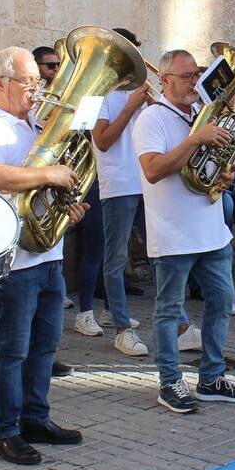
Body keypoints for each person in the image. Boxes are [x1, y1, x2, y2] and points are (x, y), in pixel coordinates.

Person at [0, 47, 86, 465]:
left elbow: (45, 184)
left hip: (47, 250)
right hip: (14, 257)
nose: (38, 88)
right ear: (0, 83)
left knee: (45, 345)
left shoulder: (34, 122)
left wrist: (65, 202)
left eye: (38, 81)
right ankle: (5, 430)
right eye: (29, 81)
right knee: (12, 348)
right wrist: (49, 174)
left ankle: (36, 417)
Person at [134, 49, 235, 412]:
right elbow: (153, 170)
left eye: (196, 75)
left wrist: (224, 173)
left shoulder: (201, 116)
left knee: (222, 302)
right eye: (186, 77)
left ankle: (211, 378)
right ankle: (169, 382)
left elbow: (211, 169)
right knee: (169, 311)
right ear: (165, 80)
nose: (194, 83)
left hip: (211, 228)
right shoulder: (151, 119)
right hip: (173, 232)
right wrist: (194, 140)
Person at [90, 28, 156, 357]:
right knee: (115, 259)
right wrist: (130, 107)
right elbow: (101, 140)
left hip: (148, 182)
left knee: (160, 252)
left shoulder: (139, 93)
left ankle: (182, 324)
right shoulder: (96, 92)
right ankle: (120, 327)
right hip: (117, 184)